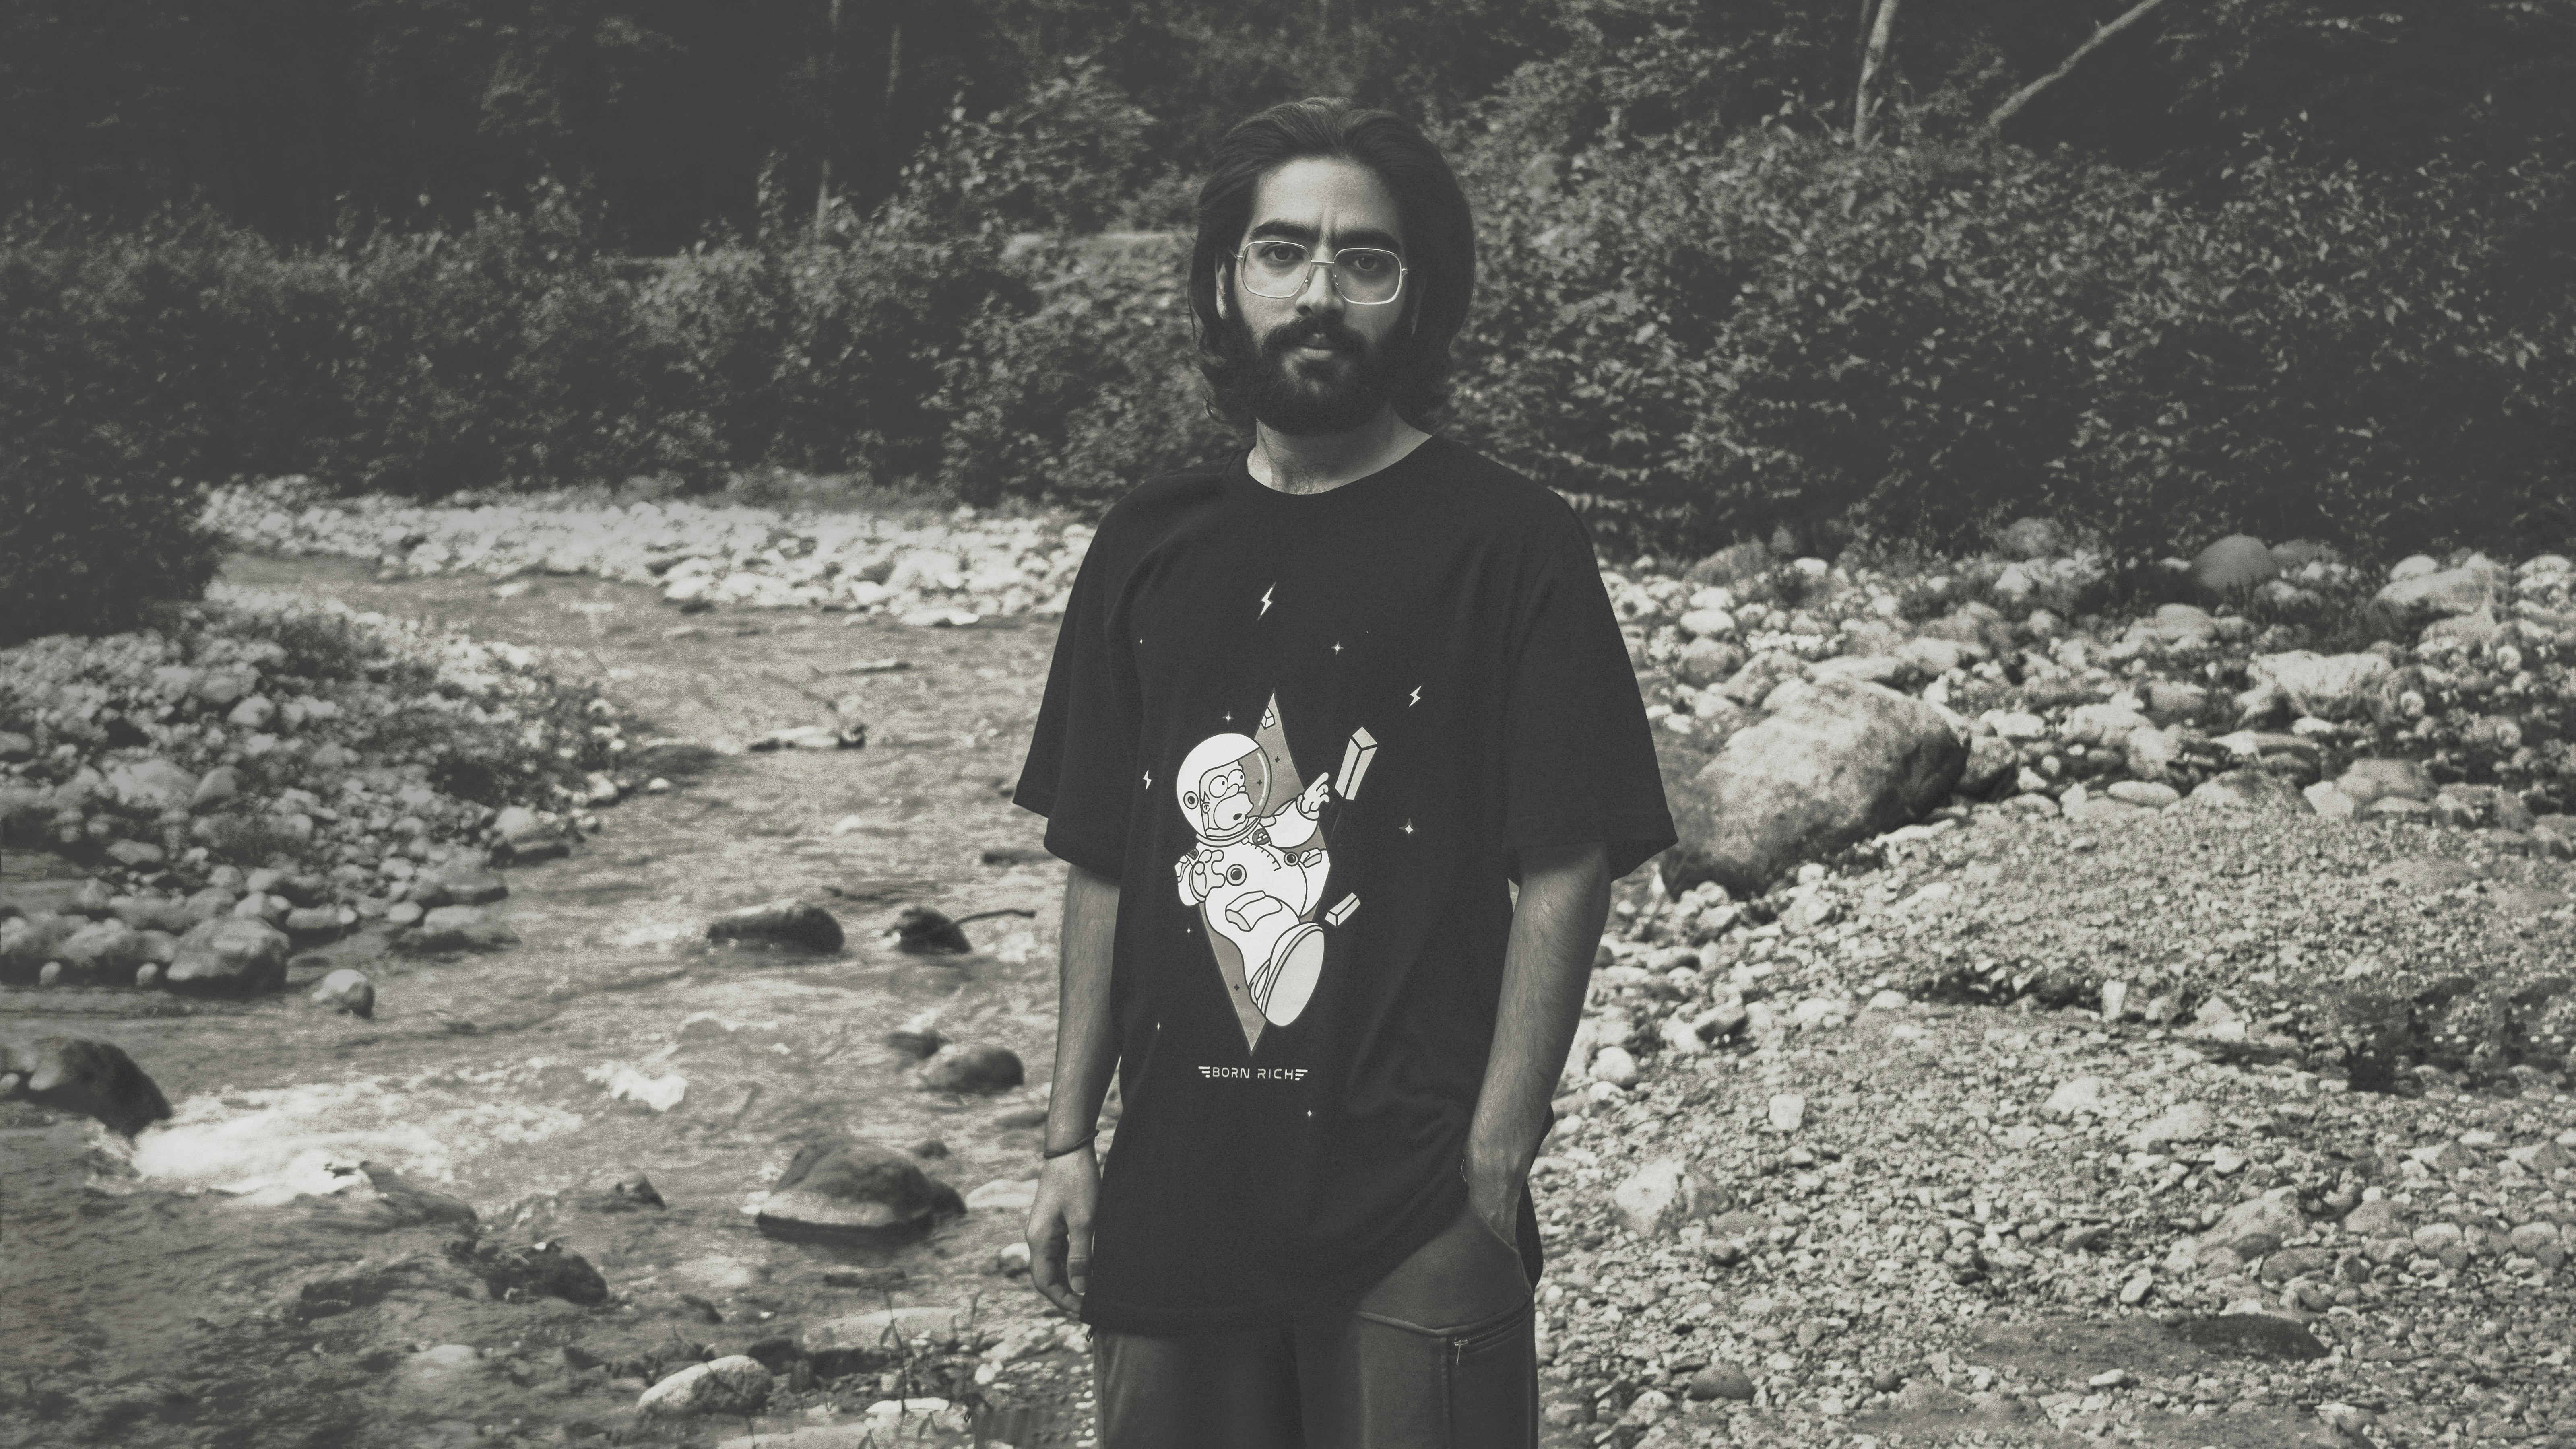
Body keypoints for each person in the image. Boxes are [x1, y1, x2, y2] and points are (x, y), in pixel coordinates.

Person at [1013, 95, 1675, 1449]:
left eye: (1365, 261)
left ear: (1417, 296)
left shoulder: (1515, 543)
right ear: (1223, 280)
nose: (1320, 292)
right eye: (1281, 253)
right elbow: (1097, 857)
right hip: (1176, 1200)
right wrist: (1069, 1139)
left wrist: (1497, 1156)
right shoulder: (1148, 542)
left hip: (1415, 1198)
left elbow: (1567, 864)